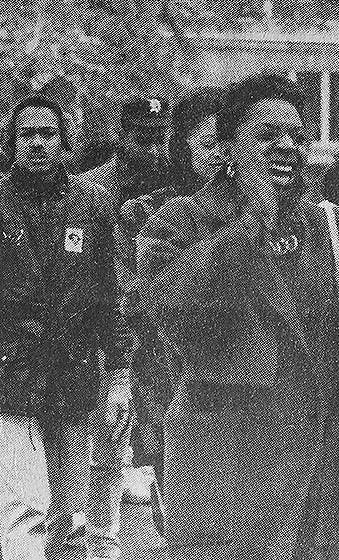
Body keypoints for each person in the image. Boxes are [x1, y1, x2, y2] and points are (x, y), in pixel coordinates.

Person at [134, 72, 339, 560]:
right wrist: (249, 224)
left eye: (296, 136)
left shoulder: (325, 226)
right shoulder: (174, 223)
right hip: (223, 464)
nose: (286, 149)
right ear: (227, 149)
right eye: (268, 136)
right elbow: (174, 314)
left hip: (318, 465)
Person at [0, 95, 130, 560]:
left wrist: (118, 368)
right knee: (23, 503)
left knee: (70, 506)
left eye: (47, 135)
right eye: (27, 135)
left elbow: (108, 292)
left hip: (74, 379)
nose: (37, 144)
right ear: (13, 144)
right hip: (11, 379)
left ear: (63, 143)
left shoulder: (89, 206)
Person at [121, 87, 225, 494]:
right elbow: (139, 297)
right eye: (208, 143)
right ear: (180, 147)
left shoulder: (264, 210)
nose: (220, 154)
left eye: (227, 143)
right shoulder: (148, 213)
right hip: (170, 368)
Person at [80, 98, 170, 210]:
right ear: (122, 137)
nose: (153, 150)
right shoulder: (90, 189)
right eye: (143, 141)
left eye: (161, 141)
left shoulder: (175, 178)